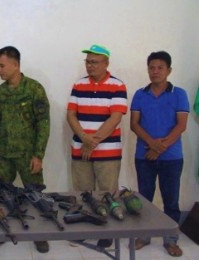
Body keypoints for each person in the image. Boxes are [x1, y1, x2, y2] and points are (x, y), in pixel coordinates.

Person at [0, 46, 50, 253]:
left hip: (28, 155)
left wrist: (39, 154)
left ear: (15, 65)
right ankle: (2, 232)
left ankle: (40, 235)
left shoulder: (34, 89)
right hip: (3, 156)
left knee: (36, 195)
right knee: (2, 196)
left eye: (2, 65)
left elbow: (43, 123)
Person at [66, 44, 127, 247]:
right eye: (87, 62)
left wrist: (92, 142)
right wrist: (84, 138)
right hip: (80, 150)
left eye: (94, 62)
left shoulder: (117, 86)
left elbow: (115, 118)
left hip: (107, 153)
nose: (89, 66)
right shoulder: (79, 84)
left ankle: (107, 233)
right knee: (82, 192)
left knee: (107, 193)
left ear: (106, 63)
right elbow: (71, 115)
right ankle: (85, 228)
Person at [130, 51, 188, 257]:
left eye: (160, 68)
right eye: (151, 67)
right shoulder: (140, 94)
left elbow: (181, 125)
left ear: (169, 70)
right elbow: (134, 124)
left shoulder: (179, 93)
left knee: (170, 200)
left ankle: (171, 240)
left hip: (171, 157)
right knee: (144, 199)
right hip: (144, 156)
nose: (155, 71)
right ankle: (143, 236)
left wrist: (159, 147)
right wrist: (152, 145)